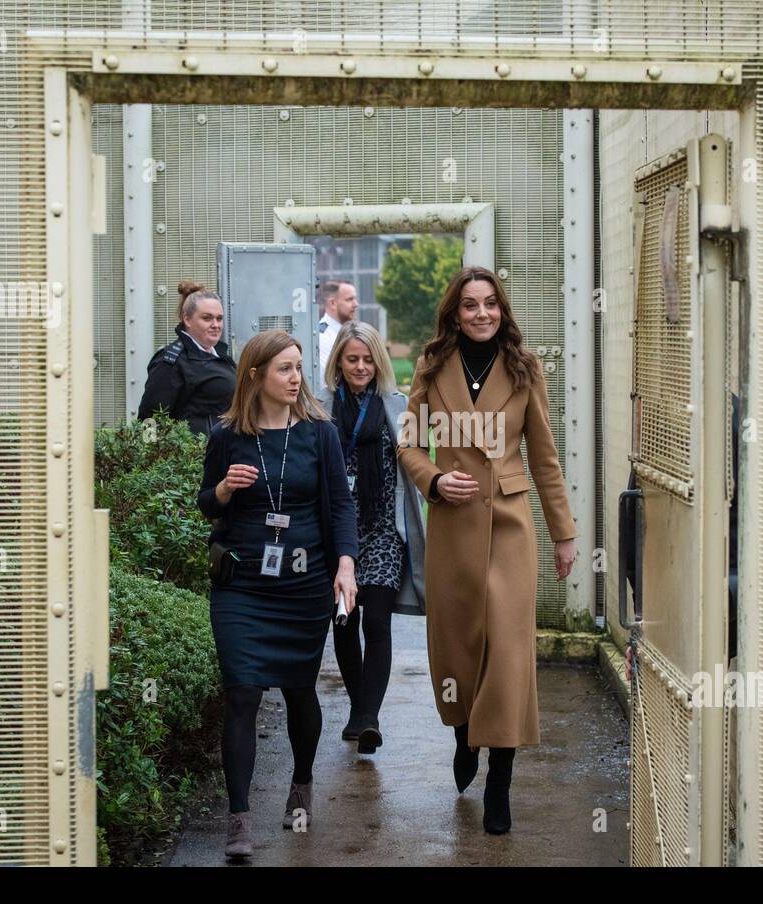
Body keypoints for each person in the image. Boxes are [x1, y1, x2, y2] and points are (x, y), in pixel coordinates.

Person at [396, 266, 578, 835]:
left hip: (509, 526)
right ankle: (463, 736)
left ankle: (500, 777)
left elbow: (544, 457)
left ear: (502, 310)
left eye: (491, 305)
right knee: (457, 646)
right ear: (454, 313)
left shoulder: (525, 370)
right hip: (451, 527)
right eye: (470, 305)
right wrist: (433, 480)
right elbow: (407, 443)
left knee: (508, 650)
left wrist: (565, 533)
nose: (482, 314)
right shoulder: (429, 369)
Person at [197, 330, 358, 861]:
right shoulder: (227, 436)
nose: (295, 379)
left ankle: (301, 786)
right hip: (243, 585)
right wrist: (223, 490)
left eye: (297, 369)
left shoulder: (319, 434)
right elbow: (207, 503)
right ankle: (239, 819)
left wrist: (345, 564)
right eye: (284, 369)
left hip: (303, 584)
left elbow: (340, 508)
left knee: (298, 691)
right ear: (255, 376)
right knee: (242, 693)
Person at [319, 321, 427, 755]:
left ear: (378, 362)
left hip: (383, 529)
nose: (360, 367)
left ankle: (369, 717)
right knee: (345, 622)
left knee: (378, 621)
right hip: (337, 534)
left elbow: (415, 458)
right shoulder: (319, 407)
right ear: (338, 363)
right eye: (352, 359)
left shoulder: (396, 407)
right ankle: (356, 707)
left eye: (367, 359)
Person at [138, 280, 239, 436]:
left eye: (219, 319)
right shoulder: (170, 361)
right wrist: (149, 457)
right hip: (195, 455)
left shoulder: (220, 355)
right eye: (207, 318)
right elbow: (149, 418)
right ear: (187, 320)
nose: (215, 325)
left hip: (225, 451)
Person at [316, 279, 358, 392]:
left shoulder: (345, 333)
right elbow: (326, 384)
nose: (356, 304)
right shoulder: (322, 338)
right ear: (332, 303)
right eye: (349, 299)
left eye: (355, 299)